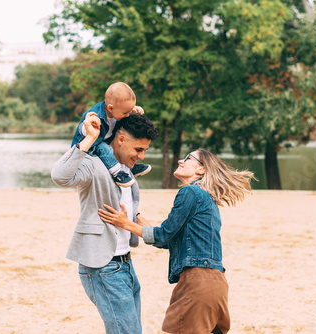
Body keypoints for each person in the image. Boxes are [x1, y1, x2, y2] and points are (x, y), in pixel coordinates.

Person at [98, 149, 255, 334]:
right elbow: (167, 239)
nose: (181, 160)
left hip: (198, 283)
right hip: (216, 285)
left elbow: (163, 235)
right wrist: (134, 217)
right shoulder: (205, 198)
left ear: (201, 170)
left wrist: (125, 223)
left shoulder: (190, 192)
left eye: (188, 158)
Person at [51, 112, 159, 333]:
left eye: (145, 150)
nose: (141, 156)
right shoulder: (93, 164)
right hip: (103, 265)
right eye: (138, 149)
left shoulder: (126, 169)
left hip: (125, 263)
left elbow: (129, 209)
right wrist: (89, 139)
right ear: (120, 139)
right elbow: (60, 176)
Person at [71, 82, 151, 188]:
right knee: (105, 148)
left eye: (129, 111)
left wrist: (135, 112)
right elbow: (82, 130)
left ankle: (130, 168)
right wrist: (89, 127)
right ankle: (118, 173)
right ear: (110, 108)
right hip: (91, 147)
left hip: (106, 140)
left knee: (120, 148)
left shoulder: (118, 110)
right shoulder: (95, 114)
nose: (127, 115)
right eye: (125, 113)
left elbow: (125, 114)